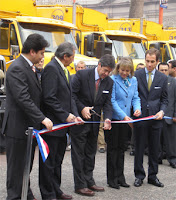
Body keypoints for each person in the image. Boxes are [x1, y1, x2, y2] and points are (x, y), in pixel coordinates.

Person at [2, 33, 53, 200]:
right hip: (17, 128)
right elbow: (23, 98)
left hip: (28, 129)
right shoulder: (17, 68)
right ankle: (15, 197)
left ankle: (26, 193)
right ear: (32, 51)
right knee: (17, 168)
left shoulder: (29, 67)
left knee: (26, 166)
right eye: (41, 52)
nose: (42, 56)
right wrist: (42, 118)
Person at [39, 42, 83, 200]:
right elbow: (49, 98)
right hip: (53, 125)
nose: (73, 60)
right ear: (65, 56)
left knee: (57, 160)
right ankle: (48, 193)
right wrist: (65, 115)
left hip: (63, 126)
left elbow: (68, 97)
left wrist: (74, 114)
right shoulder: (51, 69)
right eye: (72, 56)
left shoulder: (63, 69)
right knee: (48, 162)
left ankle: (56, 189)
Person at [71, 54, 115, 197]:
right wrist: (82, 108)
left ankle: (89, 180)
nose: (106, 74)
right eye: (105, 70)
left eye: (109, 72)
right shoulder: (82, 75)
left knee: (90, 152)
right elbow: (72, 96)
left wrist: (108, 118)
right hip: (80, 122)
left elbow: (107, 103)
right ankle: (80, 185)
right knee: (78, 154)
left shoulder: (109, 82)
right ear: (99, 65)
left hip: (95, 123)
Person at [104, 57, 141, 189]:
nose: (124, 73)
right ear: (118, 68)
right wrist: (123, 116)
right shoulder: (113, 80)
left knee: (121, 149)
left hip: (126, 120)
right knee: (113, 149)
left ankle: (120, 177)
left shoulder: (134, 80)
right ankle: (112, 178)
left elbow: (135, 97)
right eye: (122, 70)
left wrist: (137, 109)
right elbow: (112, 101)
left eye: (127, 70)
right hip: (115, 119)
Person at [133, 48, 168, 188]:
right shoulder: (137, 75)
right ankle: (139, 176)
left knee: (154, 149)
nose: (149, 64)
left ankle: (153, 176)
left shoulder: (163, 78)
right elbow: (134, 94)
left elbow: (165, 99)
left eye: (152, 62)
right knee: (139, 148)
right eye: (147, 61)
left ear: (157, 62)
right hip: (140, 117)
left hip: (156, 118)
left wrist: (162, 111)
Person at [158, 62, 176, 168]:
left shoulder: (173, 82)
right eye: (162, 70)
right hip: (157, 115)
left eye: (166, 70)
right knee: (157, 139)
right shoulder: (155, 81)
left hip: (170, 115)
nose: (164, 72)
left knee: (171, 139)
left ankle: (172, 158)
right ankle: (157, 157)